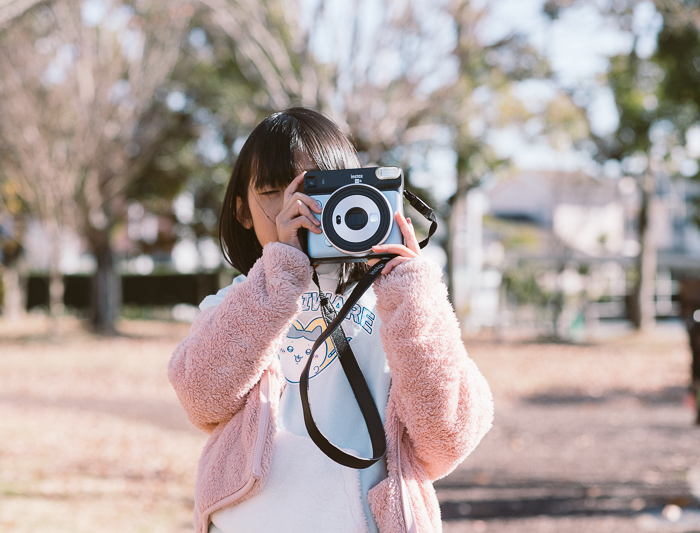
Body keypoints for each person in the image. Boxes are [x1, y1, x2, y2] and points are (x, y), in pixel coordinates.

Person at [168, 107, 494, 533]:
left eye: (316, 188)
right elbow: (201, 398)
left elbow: (448, 437)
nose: (297, 206)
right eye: (274, 191)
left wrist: (412, 290)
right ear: (242, 212)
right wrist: (279, 275)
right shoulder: (233, 304)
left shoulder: (397, 304)